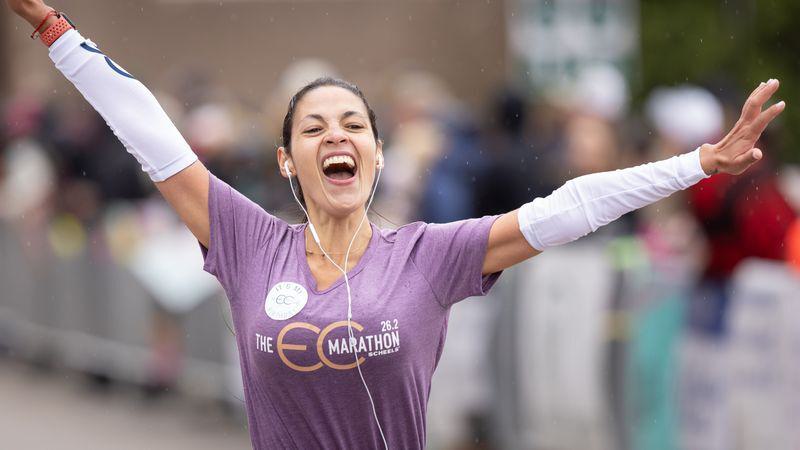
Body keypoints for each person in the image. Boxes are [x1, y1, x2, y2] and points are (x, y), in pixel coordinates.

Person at [5, 1, 786, 448]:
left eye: (353, 124)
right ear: (287, 162)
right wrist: (51, 27)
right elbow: (149, 134)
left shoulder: (429, 256)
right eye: (314, 128)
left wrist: (695, 166)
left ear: (378, 153)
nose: (335, 136)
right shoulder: (247, 242)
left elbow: (567, 210)